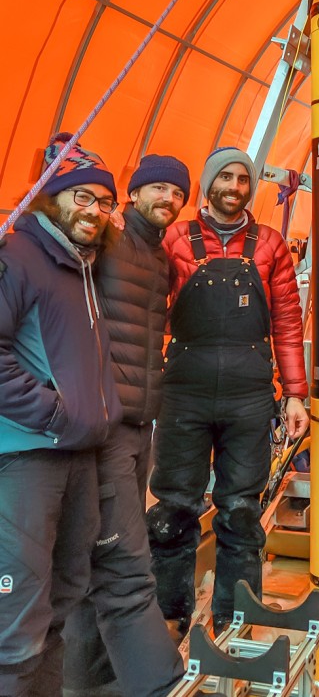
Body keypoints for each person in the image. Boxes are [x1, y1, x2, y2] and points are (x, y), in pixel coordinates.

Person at [147, 146, 309, 639]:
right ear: (209, 184)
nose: (235, 187)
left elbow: (285, 321)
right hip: (183, 395)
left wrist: (295, 393)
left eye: (244, 179)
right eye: (226, 178)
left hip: (249, 397)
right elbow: (147, 313)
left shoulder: (270, 243)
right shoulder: (173, 239)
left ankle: (235, 618)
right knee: (174, 507)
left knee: (241, 509)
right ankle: (168, 618)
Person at [62, 153, 191, 697]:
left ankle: (88, 678)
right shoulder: (108, 243)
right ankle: (148, 681)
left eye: (176, 193)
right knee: (121, 553)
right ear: (133, 195)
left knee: (97, 550)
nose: (166, 198)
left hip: (141, 425)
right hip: (107, 424)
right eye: (156, 188)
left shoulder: (161, 259)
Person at [0, 139, 123, 697]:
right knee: (19, 615)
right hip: (27, 455)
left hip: (76, 452)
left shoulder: (82, 269)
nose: (93, 210)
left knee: (63, 598)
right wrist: (53, 410)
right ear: (53, 199)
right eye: (82, 196)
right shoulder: (20, 256)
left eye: (103, 202)